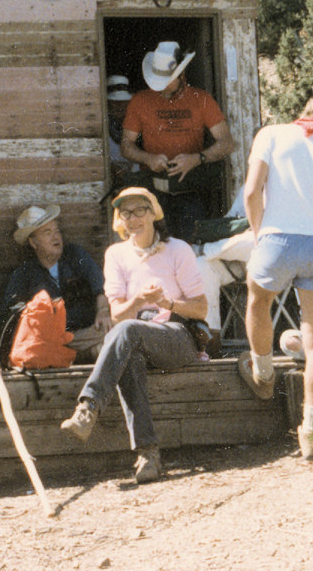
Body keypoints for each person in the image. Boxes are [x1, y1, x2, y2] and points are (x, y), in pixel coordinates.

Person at [236, 91, 313, 460]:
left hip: (275, 237)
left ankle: (262, 371)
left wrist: (260, 235)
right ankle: (312, 432)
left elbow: (250, 193)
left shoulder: (271, 134)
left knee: (257, 300)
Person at [59, 187, 207, 483]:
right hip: (137, 334)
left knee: (126, 333)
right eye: (126, 213)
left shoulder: (177, 249)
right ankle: (147, 455)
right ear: (119, 220)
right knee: (129, 354)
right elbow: (117, 315)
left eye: (140, 210)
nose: (133, 218)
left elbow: (201, 309)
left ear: (154, 213)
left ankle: (88, 407)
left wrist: (166, 303)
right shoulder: (116, 254)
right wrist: (138, 301)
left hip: (177, 335)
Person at [120, 42, 234, 241]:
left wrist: (198, 158)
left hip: (191, 192)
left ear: (182, 74)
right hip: (153, 193)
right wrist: (148, 158)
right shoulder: (140, 101)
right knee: (155, 247)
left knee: (191, 249)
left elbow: (227, 142)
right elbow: (125, 146)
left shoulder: (202, 99)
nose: (162, 86)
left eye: (168, 80)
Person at [5, 205, 113, 362]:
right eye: (47, 233)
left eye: (57, 231)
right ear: (33, 243)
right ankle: (84, 354)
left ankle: (76, 354)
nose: (55, 237)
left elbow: (100, 287)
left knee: (114, 327)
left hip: (87, 331)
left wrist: (103, 310)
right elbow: (12, 312)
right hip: (50, 340)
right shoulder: (24, 274)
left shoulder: (75, 254)